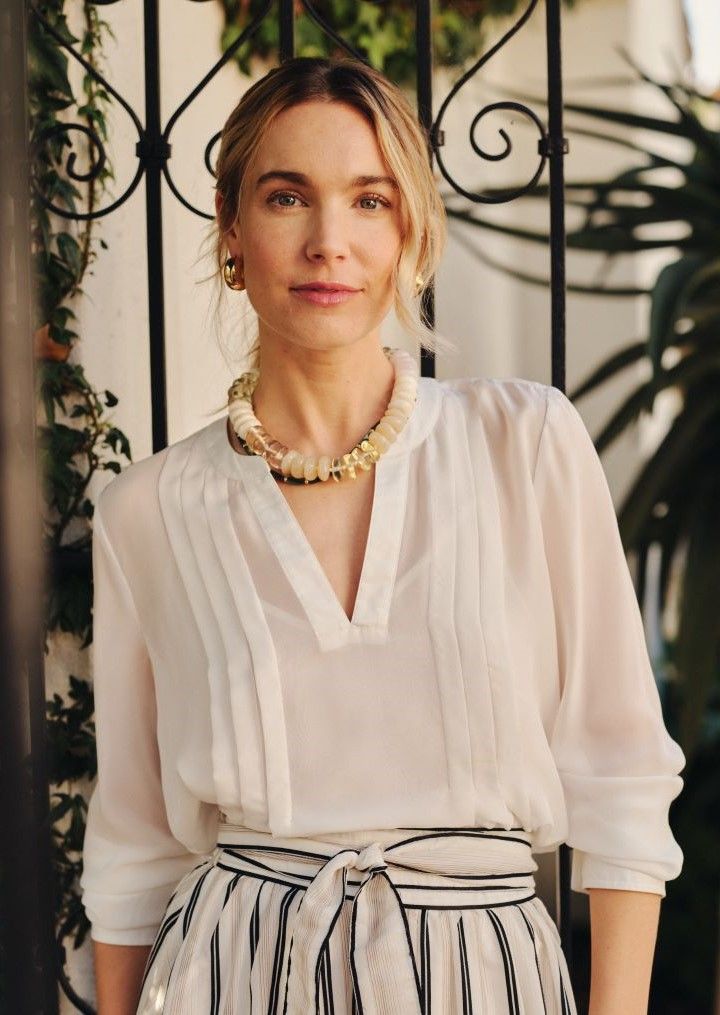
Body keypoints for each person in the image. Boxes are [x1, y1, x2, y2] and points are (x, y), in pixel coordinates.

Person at [79, 55, 685, 1015]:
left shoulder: (522, 444)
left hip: (483, 976)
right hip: (231, 976)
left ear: (412, 231)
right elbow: (133, 853)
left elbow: (622, 785)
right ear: (232, 235)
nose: (330, 242)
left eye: (369, 200)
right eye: (287, 198)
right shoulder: (147, 511)